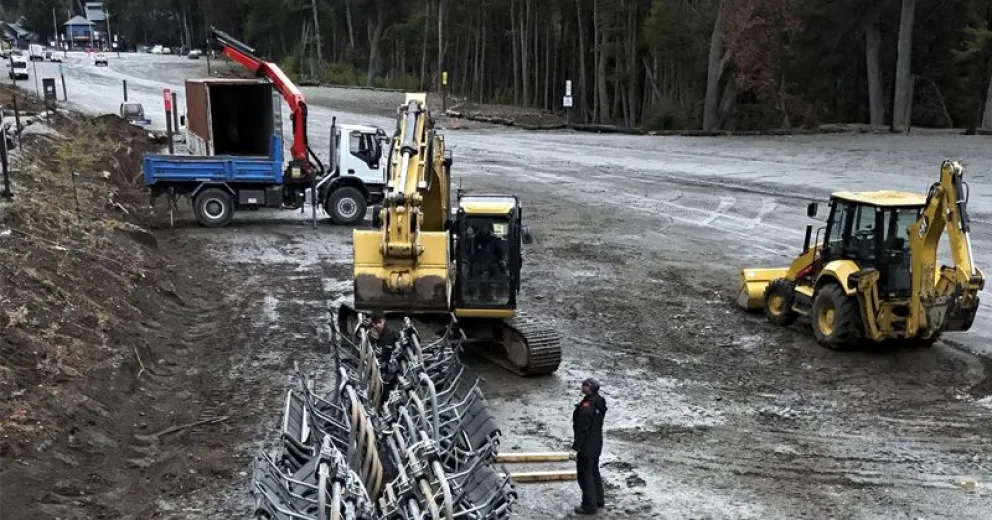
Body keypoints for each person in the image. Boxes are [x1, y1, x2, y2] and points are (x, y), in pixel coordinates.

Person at [571, 377, 607, 515]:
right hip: (597, 443)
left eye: (585, 385)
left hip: (586, 447)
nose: (582, 386)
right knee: (594, 472)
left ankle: (589, 505)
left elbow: (583, 431)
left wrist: (575, 448)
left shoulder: (587, 407)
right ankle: (599, 500)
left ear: (590, 388)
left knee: (585, 475)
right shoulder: (599, 401)